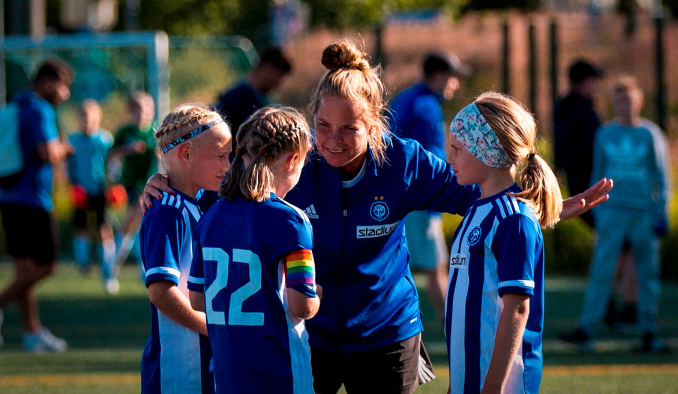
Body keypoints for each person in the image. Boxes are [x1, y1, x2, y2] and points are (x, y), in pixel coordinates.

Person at [144, 40, 612, 394]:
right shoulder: (294, 164)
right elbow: (228, 203)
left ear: (375, 125)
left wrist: (542, 206)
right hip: (312, 335)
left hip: (388, 332)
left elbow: (478, 192)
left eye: (349, 129)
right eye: (322, 127)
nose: (332, 140)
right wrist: (166, 186)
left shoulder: (404, 163)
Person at [188, 106, 321, 394]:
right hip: (280, 372)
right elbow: (301, 305)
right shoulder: (291, 219)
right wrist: (317, 297)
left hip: (227, 372)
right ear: (293, 160)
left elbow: (198, 300)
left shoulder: (211, 215)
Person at [445, 92, 562, 394]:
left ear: (487, 150)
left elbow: (516, 309)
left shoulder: (513, 219)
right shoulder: (475, 209)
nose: (449, 158)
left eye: (458, 149)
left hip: (499, 385)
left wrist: (493, 386)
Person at [560, 76, 670, 353]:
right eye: (620, 100)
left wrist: (661, 212)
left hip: (643, 214)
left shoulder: (650, 134)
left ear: (639, 102)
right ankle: (587, 329)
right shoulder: (605, 134)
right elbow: (598, 173)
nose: (625, 106)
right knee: (601, 272)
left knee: (647, 275)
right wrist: (597, 211)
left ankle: (648, 333)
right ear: (614, 103)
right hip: (613, 214)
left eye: (629, 100)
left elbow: (662, 176)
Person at [139, 104, 231, 394]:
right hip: (177, 367)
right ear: (187, 154)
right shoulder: (168, 212)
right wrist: (211, 327)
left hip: (202, 360)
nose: (227, 166)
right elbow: (161, 292)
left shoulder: (200, 202)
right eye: (220, 157)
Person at [388, 52, 469, 323]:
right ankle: (456, 329)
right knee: (435, 267)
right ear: (438, 75)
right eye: (451, 77)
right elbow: (425, 162)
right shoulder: (425, 106)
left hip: (403, 196)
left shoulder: (409, 99)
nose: (454, 84)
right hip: (419, 199)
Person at [0, 60, 74, 352]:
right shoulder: (39, 108)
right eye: (63, 87)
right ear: (49, 84)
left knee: (24, 268)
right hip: (32, 199)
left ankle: (32, 333)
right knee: (48, 265)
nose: (65, 95)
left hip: (7, 195)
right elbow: (48, 153)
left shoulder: (14, 104)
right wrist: (66, 148)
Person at [67, 99, 118, 293]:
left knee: (104, 228)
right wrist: (71, 184)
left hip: (100, 191)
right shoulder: (73, 139)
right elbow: (67, 165)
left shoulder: (104, 139)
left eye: (90, 116)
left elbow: (112, 164)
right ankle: (83, 262)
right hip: (81, 190)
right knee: (81, 227)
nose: (87, 120)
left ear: (98, 118)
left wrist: (113, 184)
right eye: (83, 116)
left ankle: (108, 272)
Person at [216, 46, 293, 161]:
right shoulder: (245, 97)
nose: (278, 84)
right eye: (279, 77)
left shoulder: (239, 92)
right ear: (268, 69)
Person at [112, 91, 158, 280]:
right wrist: (128, 150)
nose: (144, 113)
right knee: (137, 216)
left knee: (138, 225)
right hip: (131, 183)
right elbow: (111, 154)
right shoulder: (126, 132)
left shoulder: (154, 132)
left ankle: (117, 260)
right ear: (131, 112)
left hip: (151, 183)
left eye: (147, 109)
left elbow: (165, 153)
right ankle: (113, 262)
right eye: (139, 109)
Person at [553, 59, 604, 227]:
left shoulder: (564, 107)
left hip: (574, 179)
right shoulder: (583, 111)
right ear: (586, 80)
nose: (595, 84)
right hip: (589, 180)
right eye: (593, 79)